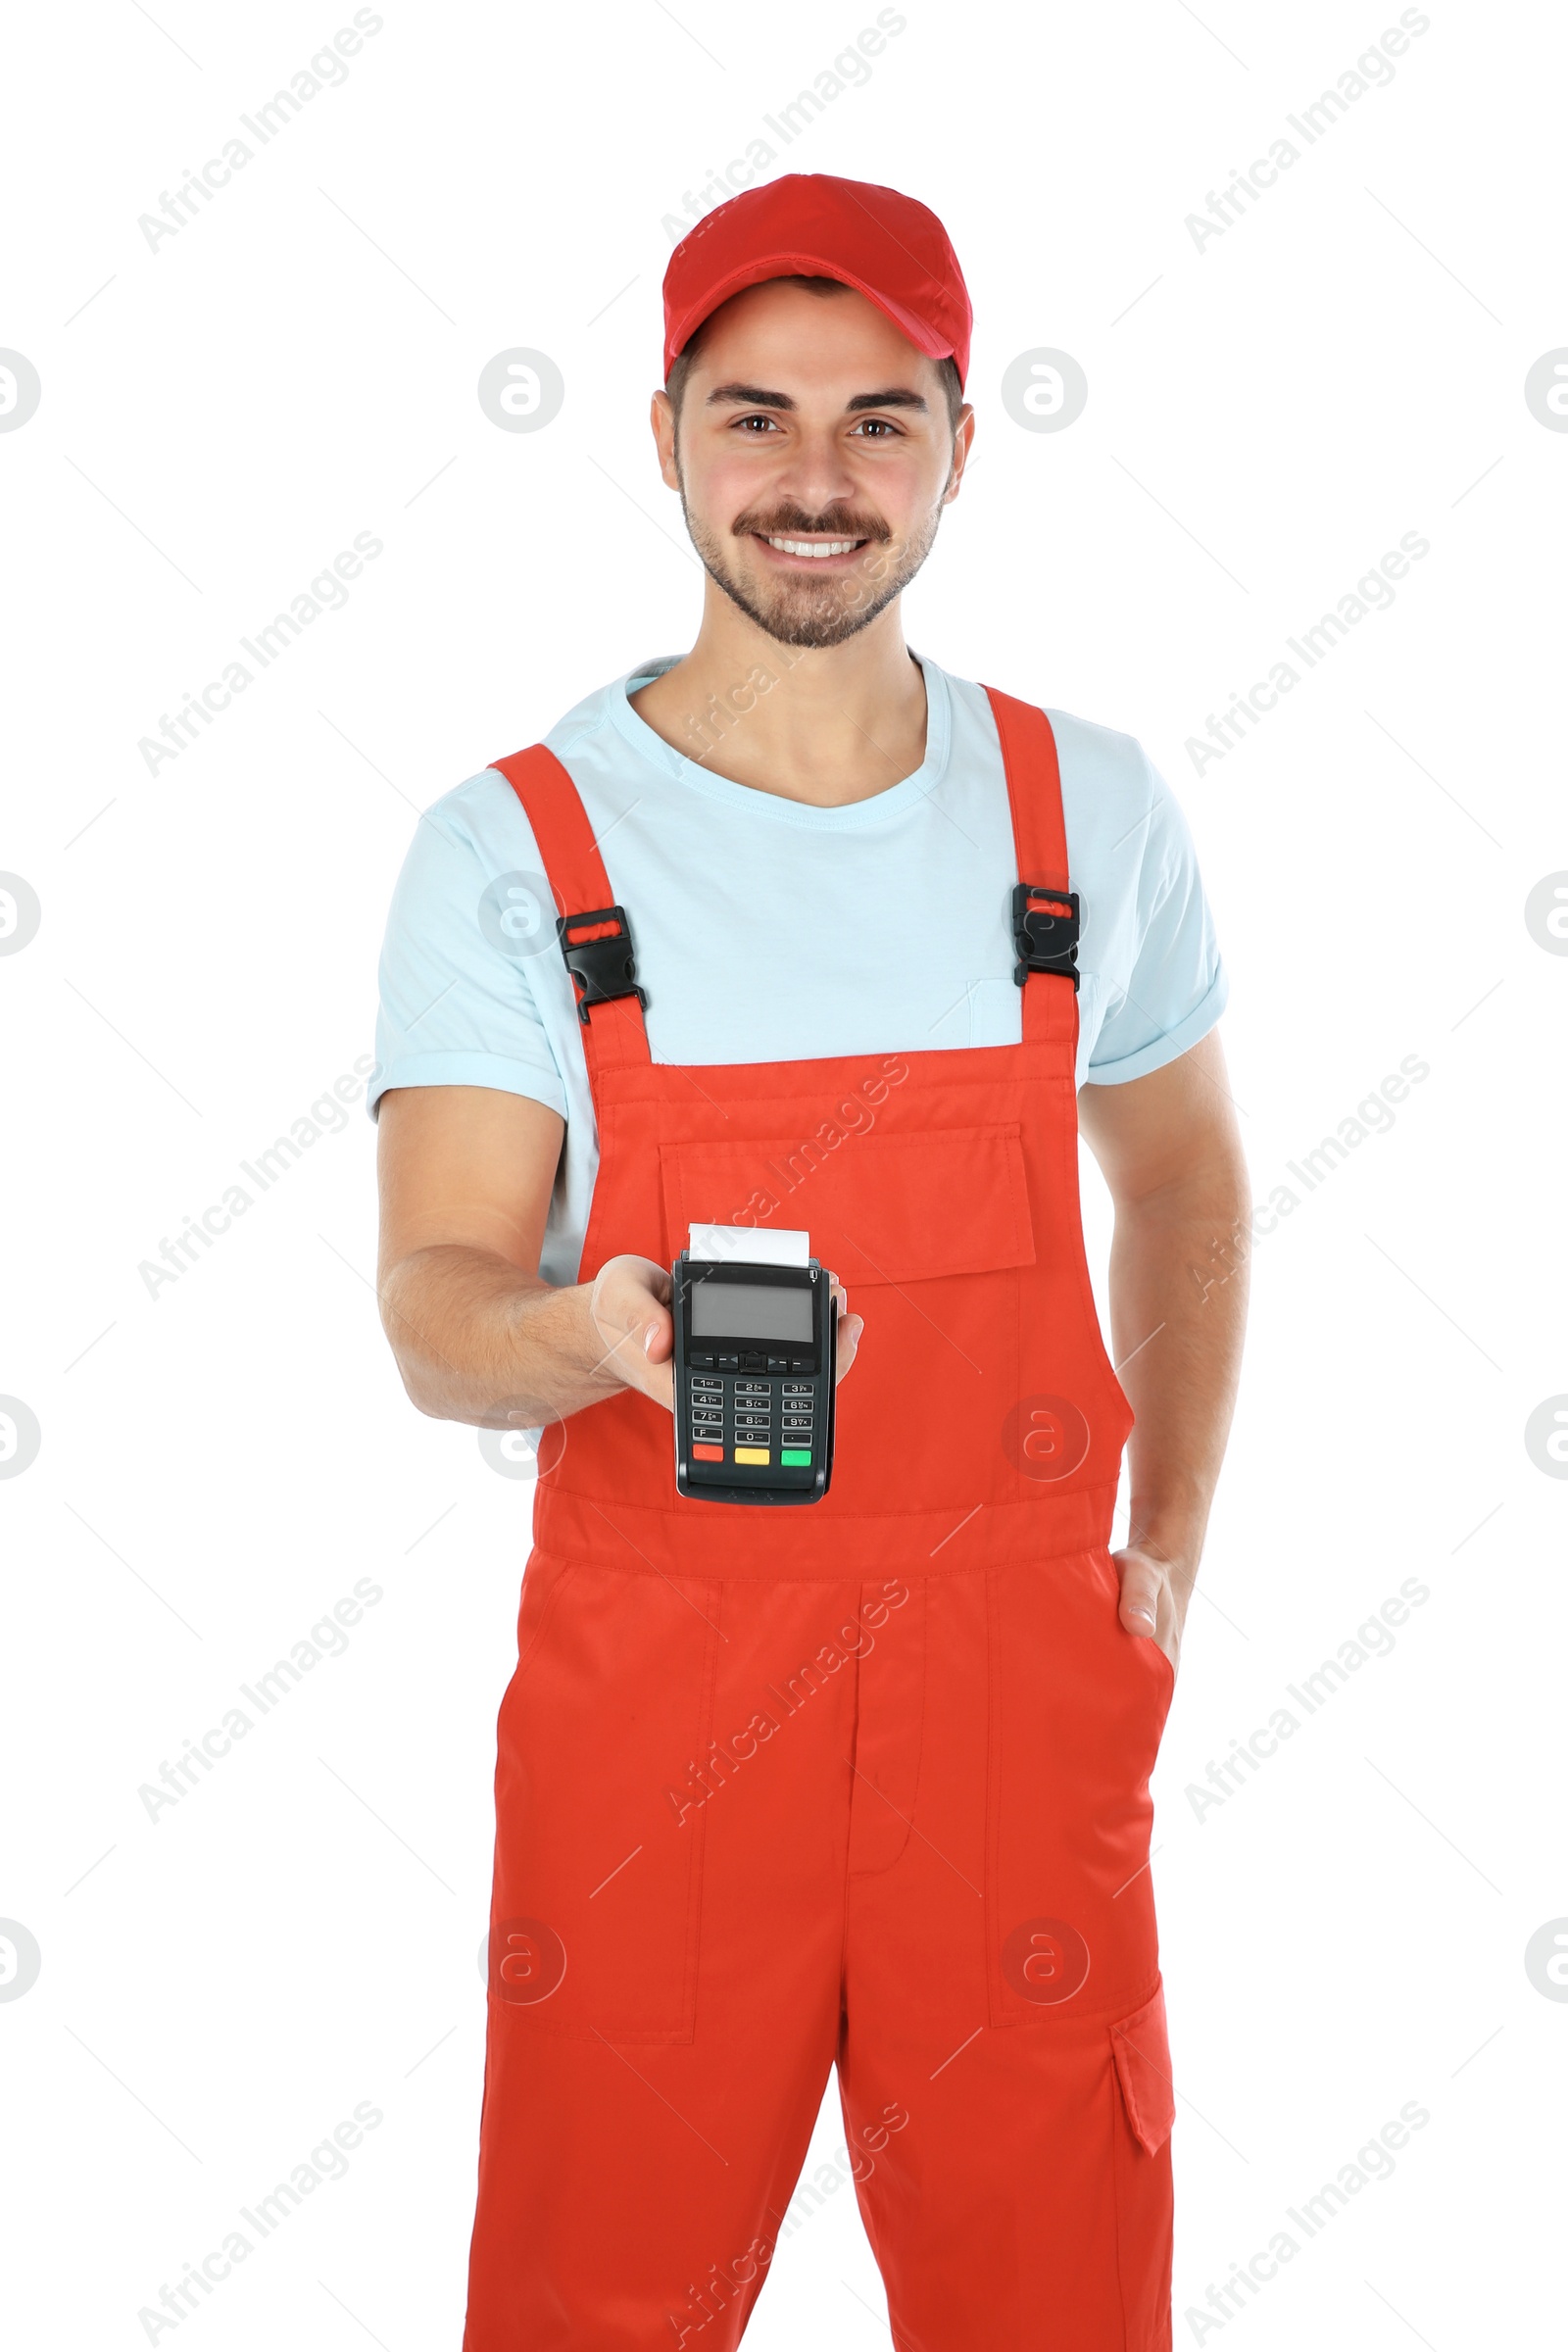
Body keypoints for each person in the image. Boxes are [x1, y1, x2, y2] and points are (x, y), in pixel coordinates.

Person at [370, 171, 1249, 2352]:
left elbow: (1188, 1185)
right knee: (597, 2300)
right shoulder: (515, 849)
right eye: (753, 417)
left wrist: (1161, 1550)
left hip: (1018, 1707)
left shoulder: (1089, 811)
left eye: (878, 420)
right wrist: (577, 1331)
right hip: (659, 1709)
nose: (814, 481)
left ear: (962, 438)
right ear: (661, 432)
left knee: (1054, 2293)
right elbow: (436, 1307)